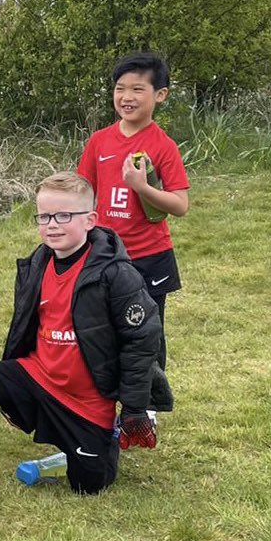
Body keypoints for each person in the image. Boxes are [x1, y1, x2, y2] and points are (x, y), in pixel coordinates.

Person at [0, 172, 172, 524]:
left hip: (87, 399)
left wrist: (133, 409)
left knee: (88, 485)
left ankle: (102, 440)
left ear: (90, 220)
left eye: (64, 215)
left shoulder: (116, 274)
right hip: (39, 374)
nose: (52, 225)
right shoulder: (38, 261)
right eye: (44, 216)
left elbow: (142, 342)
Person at [78, 50, 189, 374]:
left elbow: (180, 205)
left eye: (137, 89)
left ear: (160, 94)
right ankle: (103, 402)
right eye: (120, 88)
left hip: (150, 257)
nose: (127, 97)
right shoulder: (99, 141)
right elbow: (83, 192)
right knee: (104, 331)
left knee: (147, 332)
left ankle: (147, 408)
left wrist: (141, 187)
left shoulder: (163, 145)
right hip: (105, 254)